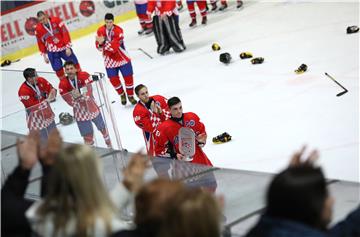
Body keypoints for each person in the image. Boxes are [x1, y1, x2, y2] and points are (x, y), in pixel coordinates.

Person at [26, 142, 148, 236]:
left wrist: (127, 185)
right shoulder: (111, 231)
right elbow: (99, 221)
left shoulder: (39, 217)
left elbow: (94, 216)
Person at [245, 146, 360, 237]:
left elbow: (272, 218)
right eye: (325, 195)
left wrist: (290, 184)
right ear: (313, 205)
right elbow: (350, 228)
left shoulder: (259, 231)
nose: (331, 200)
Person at [58, 61, 111, 147]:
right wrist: (77, 100)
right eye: (67, 69)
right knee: (87, 135)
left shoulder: (84, 75)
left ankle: (109, 144)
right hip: (79, 111)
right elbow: (67, 99)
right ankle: (90, 152)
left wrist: (81, 97)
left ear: (76, 69)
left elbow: (89, 89)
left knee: (102, 128)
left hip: (91, 106)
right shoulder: (63, 83)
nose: (70, 71)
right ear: (65, 71)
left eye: (71, 68)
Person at [154, 96, 212, 166]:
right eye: (175, 109)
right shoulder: (164, 128)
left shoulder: (192, 118)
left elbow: (201, 138)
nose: (179, 111)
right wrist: (174, 155)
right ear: (169, 110)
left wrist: (201, 141)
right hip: (181, 166)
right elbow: (158, 151)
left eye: (180, 107)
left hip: (201, 161)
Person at [95, 13, 137, 106]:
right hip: (109, 59)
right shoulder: (100, 30)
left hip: (122, 57)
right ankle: (122, 94)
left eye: (110, 22)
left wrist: (103, 43)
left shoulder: (119, 30)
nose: (109, 24)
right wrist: (101, 45)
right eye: (107, 22)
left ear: (113, 21)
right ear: (105, 22)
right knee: (113, 79)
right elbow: (98, 48)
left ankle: (130, 95)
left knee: (128, 77)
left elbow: (114, 48)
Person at [35, 11, 81, 80]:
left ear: (46, 16)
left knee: (74, 64)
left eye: (43, 18)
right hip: (52, 52)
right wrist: (44, 55)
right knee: (58, 69)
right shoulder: (38, 29)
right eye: (40, 20)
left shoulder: (56, 20)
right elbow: (40, 42)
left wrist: (67, 47)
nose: (43, 21)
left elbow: (65, 32)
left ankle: (81, 79)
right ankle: (66, 85)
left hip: (63, 47)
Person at [18, 68, 57, 141]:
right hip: (35, 119)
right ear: (29, 79)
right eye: (35, 75)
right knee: (42, 142)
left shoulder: (41, 80)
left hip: (47, 114)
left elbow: (51, 89)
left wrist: (53, 92)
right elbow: (33, 107)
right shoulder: (23, 91)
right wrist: (48, 100)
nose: (38, 77)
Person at [133, 84, 170, 156]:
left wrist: (161, 112)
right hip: (154, 140)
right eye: (142, 94)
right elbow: (152, 128)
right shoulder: (138, 111)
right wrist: (155, 112)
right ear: (138, 96)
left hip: (168, 134)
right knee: (160, 161)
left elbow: (171, 114)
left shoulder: (158, 98)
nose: (146, 95)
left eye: (146, 92)